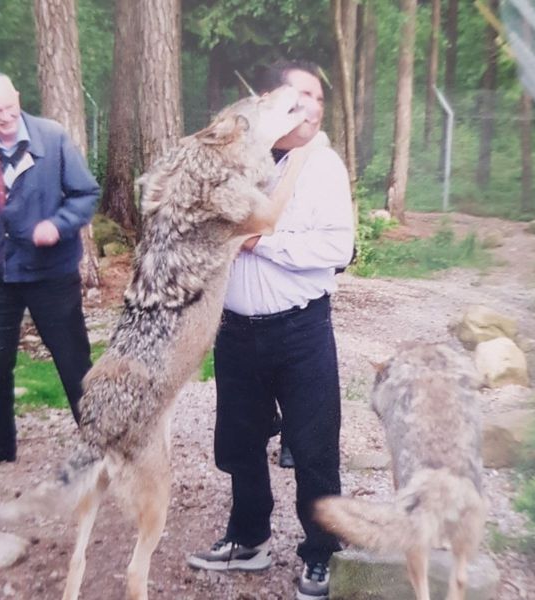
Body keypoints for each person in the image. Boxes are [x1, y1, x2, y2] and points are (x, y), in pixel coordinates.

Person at [187, 60, 355, 600]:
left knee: (312, 446)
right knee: (239, 442)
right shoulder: (234, 162)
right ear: (269, 101)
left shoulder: (323, 167)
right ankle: (249, 538)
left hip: (300, 332)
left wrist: (264, 241)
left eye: (318, 99)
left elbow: (337, 250)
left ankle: (322, 553)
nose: (310, 105)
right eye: (298, 94)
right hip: (235, 332)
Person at [0, 74, 100, 468]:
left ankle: (100, 444)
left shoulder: (53, 137)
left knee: (73, 361)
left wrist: (58, 225)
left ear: (18, 97)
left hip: (52, 275)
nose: (6, 115)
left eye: (9, 106)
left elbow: (85, 194)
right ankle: (1, 444)